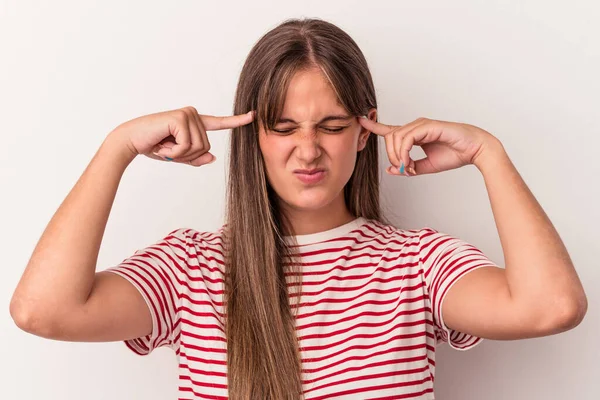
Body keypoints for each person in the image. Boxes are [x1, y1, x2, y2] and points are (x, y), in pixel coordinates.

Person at [10, 18, 587, 400]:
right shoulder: (192, 269)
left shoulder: (417, 264)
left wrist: (490, 154)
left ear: (364, 132)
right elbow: (42, 311)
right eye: (283, 127)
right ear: (252, 135)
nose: (308, 150)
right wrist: (118, 148)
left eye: (332, 126)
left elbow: (551, 307)